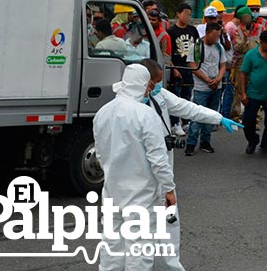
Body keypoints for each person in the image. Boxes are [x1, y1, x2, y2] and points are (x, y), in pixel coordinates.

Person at [140, 59, 241, 270]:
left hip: (159, 174)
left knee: (167, 225)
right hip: (141, 179)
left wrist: (218, 118)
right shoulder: (128, 108)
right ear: (145, 81)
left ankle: (166, 266)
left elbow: (188, 108)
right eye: (156, 82)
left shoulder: (159, 96)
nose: (160, 86)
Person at [93, 64, 176, 271]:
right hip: (140, 193)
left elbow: (100, 154)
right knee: (138, 247)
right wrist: (169, 189)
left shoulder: (102, 113)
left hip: (112, 189)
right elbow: (158, 159)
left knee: (112, 244)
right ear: (144, 85)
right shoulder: (146, 115)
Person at [185, 23, 227, 156]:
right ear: (208, 33)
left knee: (211, 115)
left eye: (218, 35)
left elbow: (223, 65)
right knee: (196, 116)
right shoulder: (197, 46)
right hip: (201, 87)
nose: (217, 38)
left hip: (216, 87)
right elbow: (193, 65)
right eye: (215, 35)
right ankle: (191, 143)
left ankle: (205, 141)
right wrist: (207, 80)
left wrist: (218, 79)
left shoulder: (219, 47)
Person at [166, 3, 199, 136]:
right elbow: (168, 53)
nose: (187, 17)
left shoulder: (193, 30)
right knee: (175, 97)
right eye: (185, 13)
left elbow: (197, 49)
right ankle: (175, 123)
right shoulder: (171, 32)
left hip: (189, 68)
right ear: (178, 14)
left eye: (189, 14)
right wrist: (174, 68)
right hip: (177, 67)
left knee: (187, 95)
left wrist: (196, 65)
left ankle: (186, 121)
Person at [230, 6, 264, 123]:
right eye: (243, 18)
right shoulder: (237, 31)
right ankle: (236, 117)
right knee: (239, 90)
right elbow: (238, 48)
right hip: (242, 63)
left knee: (257, 89)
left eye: (247, 17)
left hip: (258, 63)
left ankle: (256, 119)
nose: (246, 19)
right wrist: (244, 37)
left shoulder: (260, 28)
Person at [221, 5, 244, 119]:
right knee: (227, 91)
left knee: (231, 91)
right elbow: (228, 47)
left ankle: (228, 114)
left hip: (233, 64)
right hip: (229, 64)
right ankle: (225, 114)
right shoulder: (230, 27)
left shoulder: (236, 26)